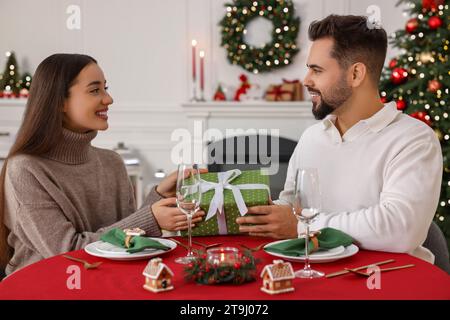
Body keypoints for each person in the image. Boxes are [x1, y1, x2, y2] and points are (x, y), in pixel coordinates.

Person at [236, 15, 443, 263]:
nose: (306, 81)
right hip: (316, 277)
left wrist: (304, 227)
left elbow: (400, 229)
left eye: (317, 70)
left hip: (392, 283)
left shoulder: (413, 139)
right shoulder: (312, 137)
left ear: (355, 74)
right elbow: (290, 208)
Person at [0, 54, 204, 275]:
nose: (108, 99)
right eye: (95, 90)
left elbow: (121, 241)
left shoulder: (112, 162)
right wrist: (151, 219)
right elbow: (66, 251)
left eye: (105, 88)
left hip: (105, 282)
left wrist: (159, 195)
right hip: (45, 288)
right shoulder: (24, 169)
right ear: (59, 101)